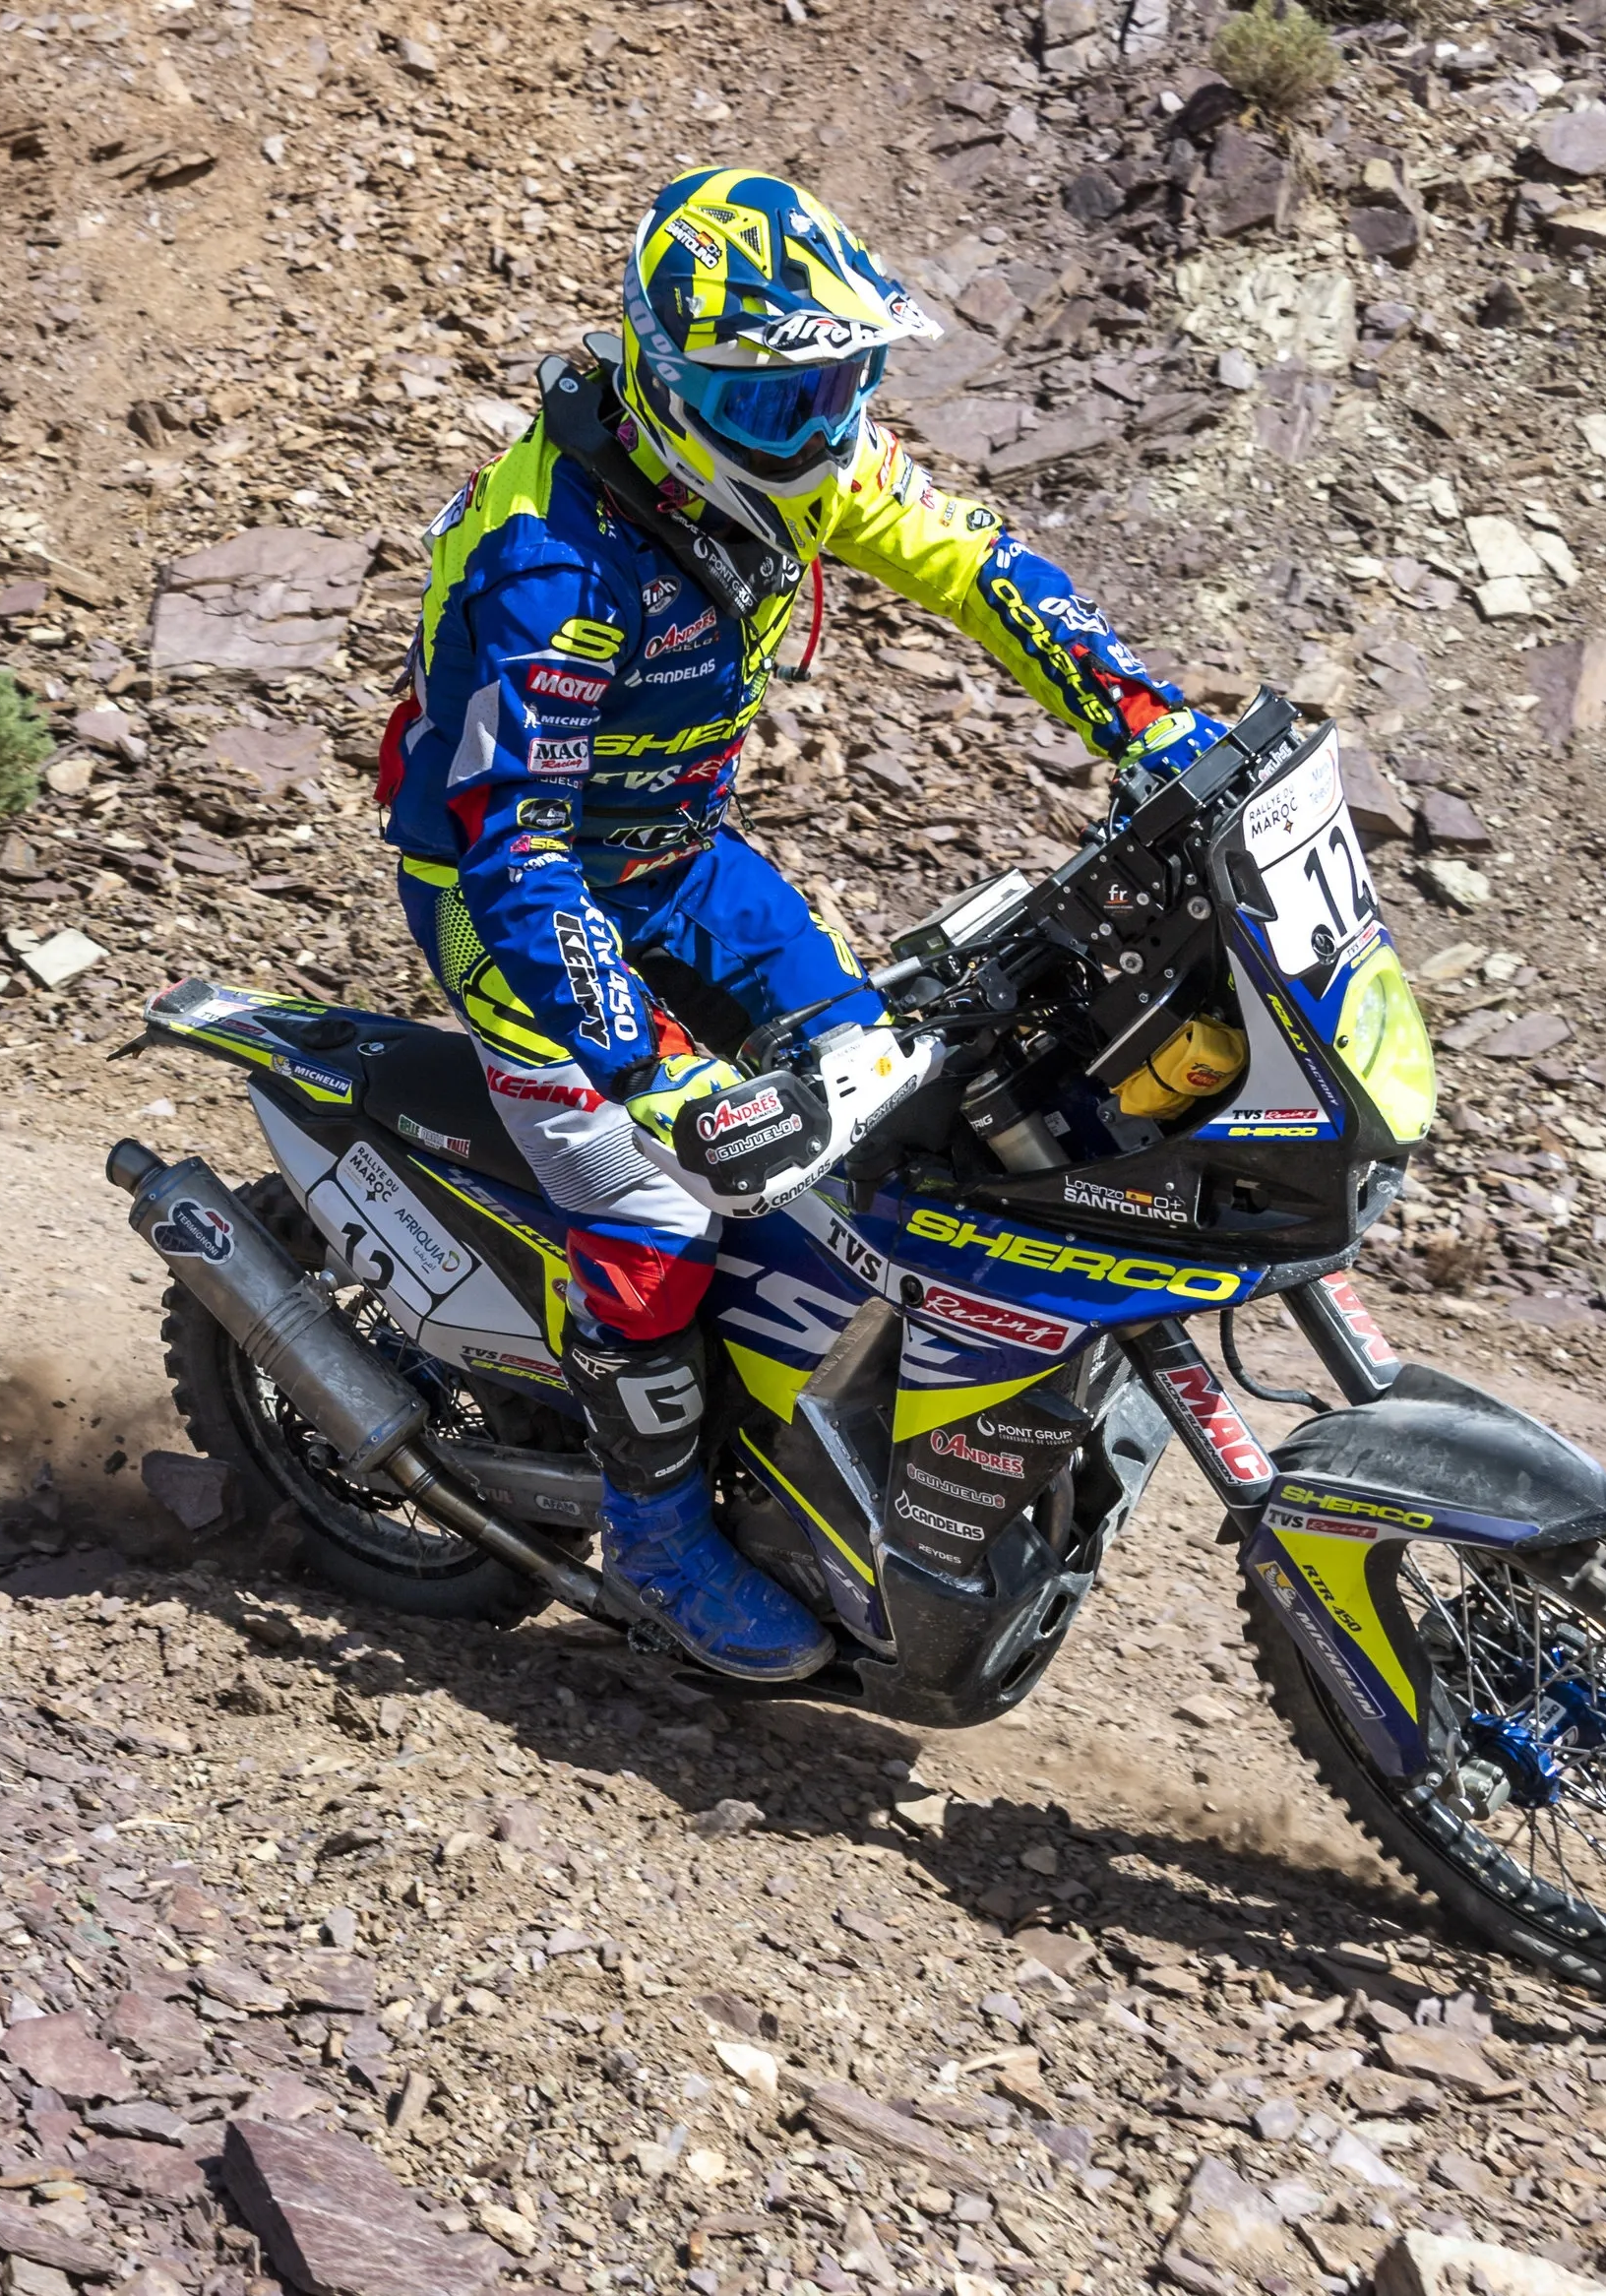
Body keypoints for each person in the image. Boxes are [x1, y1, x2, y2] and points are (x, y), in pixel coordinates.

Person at [375, 166, 1222, 1681]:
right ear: (661, 378)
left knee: (881, 1096)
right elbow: (517, 855)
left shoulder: (790, 463)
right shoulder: (550, 565)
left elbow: (972, 559)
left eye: (842, 385)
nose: (821, 434)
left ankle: (829, 1441)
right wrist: (656, 1076)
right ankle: (657, 1540)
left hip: (683, 856)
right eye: (776, 405)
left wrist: (1146, 721)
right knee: (660, 1207)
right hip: (512, 901)